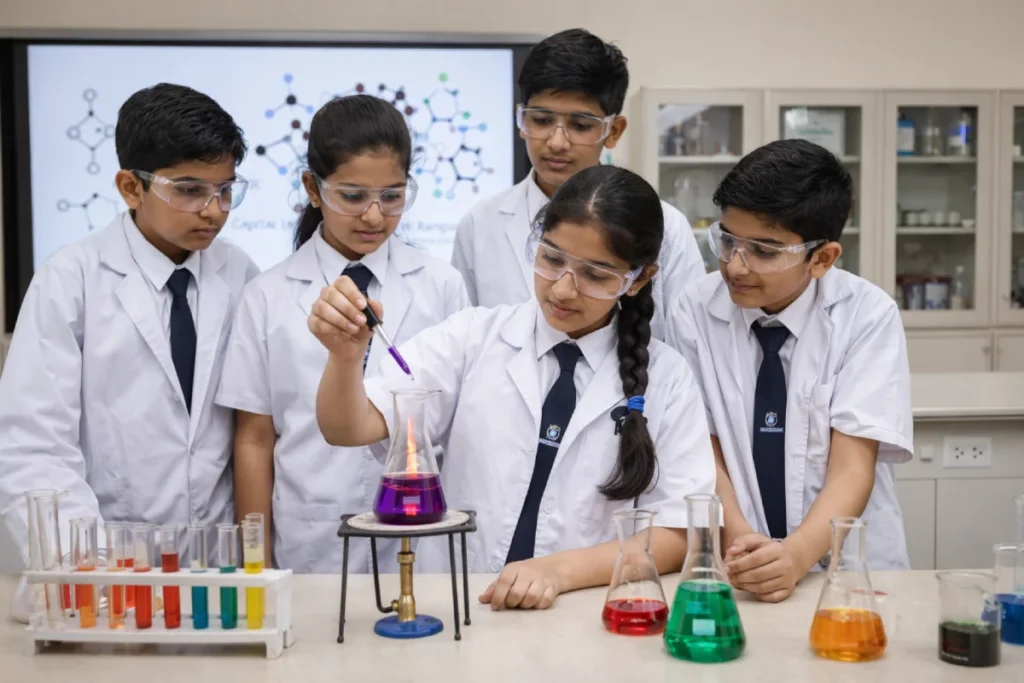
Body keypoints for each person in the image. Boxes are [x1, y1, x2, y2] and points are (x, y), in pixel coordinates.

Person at [312, 164, 715, 610]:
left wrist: (557, 571)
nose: (563, 289)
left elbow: (678, 532)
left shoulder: (667, 379)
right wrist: (344, 358)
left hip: (582, 616)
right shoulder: (473, 338)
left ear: (638, 278)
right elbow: (348, 428)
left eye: (596, 275)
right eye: (552, 259)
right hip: (458, 606)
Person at [0, 83, 259, 563]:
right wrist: (88, 569)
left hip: (217, 562)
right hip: (106, 561)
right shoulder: (71, 279)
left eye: (225, 190)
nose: (213, 210)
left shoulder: (240, 273)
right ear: (130, 187)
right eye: (189, 190)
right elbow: (34, 448)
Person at [216, 95, 470, 574]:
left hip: (422, 533)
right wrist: (255, 564)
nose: (374, 217)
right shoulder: (266, 296)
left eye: (392, 196)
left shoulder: (442, 285)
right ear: (314, 188)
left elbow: (459, 427)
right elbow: (254, 439)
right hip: (312, 537)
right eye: (352, 197)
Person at [666, 139, 914, 603]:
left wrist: (796, 555)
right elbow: (703, 447)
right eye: (727, 240)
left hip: (837, 568)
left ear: (822, 258)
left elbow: (852, 466)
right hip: (738, 564)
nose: (736, 266)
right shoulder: (694, 309)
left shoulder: (866, 315)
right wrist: (742, 546)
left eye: (764, 250)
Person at [450, 28, 705, 340]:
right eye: (541, 120)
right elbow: (464, 343)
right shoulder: (479, 225)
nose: (557, 142)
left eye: (581, 125)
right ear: (521, 120)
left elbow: (687, 345)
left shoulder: (669, 229)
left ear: (614, 131)